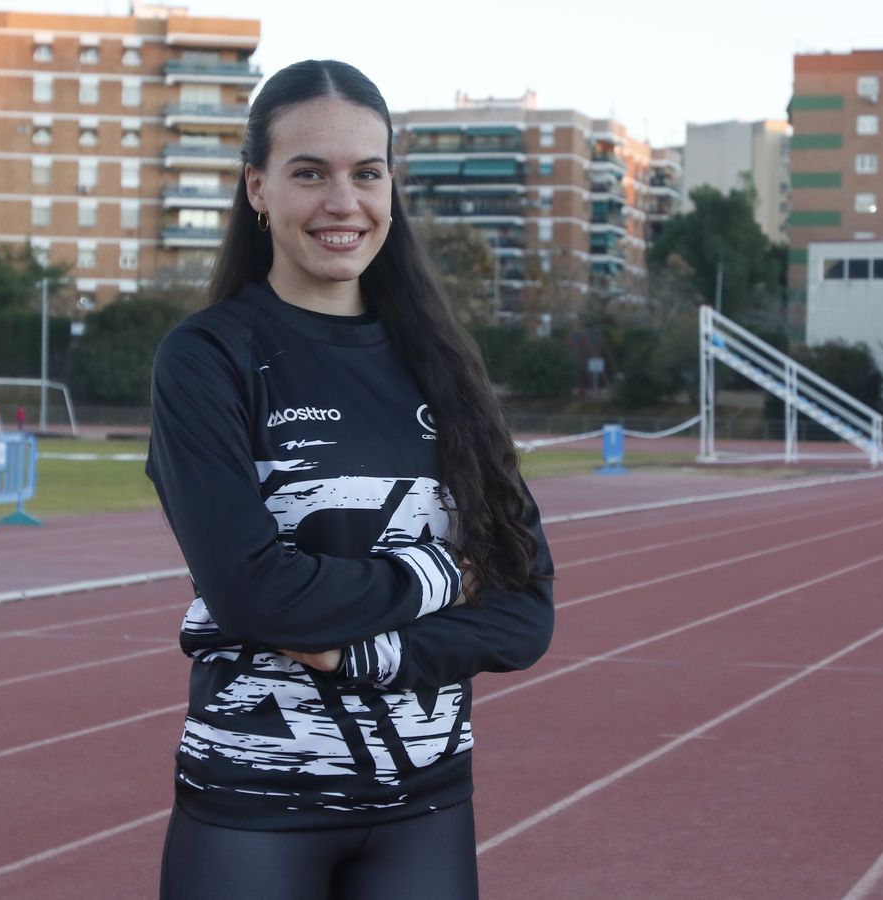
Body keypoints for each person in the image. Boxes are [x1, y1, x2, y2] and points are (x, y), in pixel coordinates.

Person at [145, 59, 554, 900]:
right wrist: (438, 574)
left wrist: (363, 651)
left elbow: (524, 613)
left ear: (391, 188)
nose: (344, 202)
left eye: (367, 173)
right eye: (310, 173)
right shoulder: (210, 358)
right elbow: (254, 594)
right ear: (257, 187)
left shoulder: (446, 368)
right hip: (254, 808)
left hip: (427, 810)